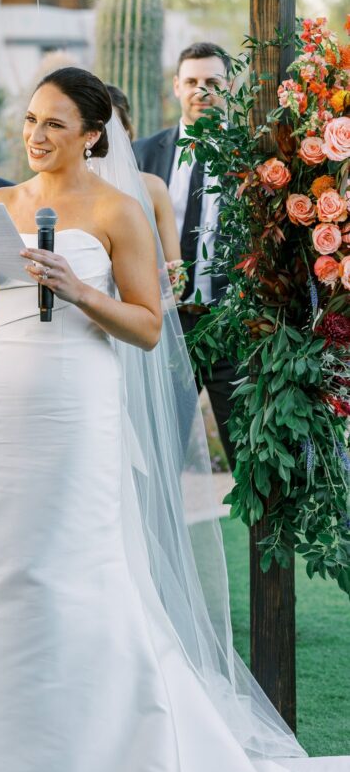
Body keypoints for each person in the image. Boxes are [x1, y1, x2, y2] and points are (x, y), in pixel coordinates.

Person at [0, 67, 350, 772]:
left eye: (54, 123)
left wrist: (80, 291)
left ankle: (100, 764)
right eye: (29, 121)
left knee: (77, 563)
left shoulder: (120, 209)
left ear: (93, 131)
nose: (36, 135)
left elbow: (150, 326)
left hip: (78, 403)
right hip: (5, 400)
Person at [132, 42, 237, 469]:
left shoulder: (252, 153)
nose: (201, 91)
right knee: (157, 463)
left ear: (230, 87)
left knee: (251, 464)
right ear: (176, 86)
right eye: (192, 81)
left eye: (213, 82)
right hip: (165, 329)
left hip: (231, 329)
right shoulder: (143, 155)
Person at [106, 84, 182, 267]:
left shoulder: (154, 188)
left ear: (126, 129)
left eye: (109, 126)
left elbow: (175, 268)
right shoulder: (66, 188)